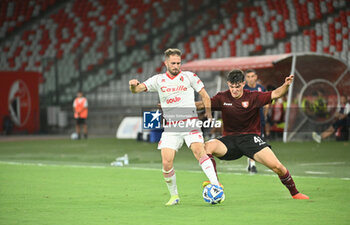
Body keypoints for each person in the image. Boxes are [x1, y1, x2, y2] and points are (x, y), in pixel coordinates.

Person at [129, 48, 221, 206]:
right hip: (171, 127)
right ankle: (174, 196)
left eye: (179, 63)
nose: (176, 66)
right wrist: (132, 85)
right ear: (165, 63)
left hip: (190, 122)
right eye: (173, 63)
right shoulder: (158, 80)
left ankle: (217, 188)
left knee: (199, 150)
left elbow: (205, 95)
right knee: (166, 162)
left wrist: (208, 113)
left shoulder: (189, 76)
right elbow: (137, 90)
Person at [198, 69, 309, 200]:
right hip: (229, 141)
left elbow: (275, 94)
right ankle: (215, 183)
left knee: (278, 167)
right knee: (205, 147)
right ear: (228, 84)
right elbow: (202, 104)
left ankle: (295, 193)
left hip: (250, 139)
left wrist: (286, 86)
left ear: (243, 84)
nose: (234, 90)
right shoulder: (222, 97)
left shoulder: (253, 96)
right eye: (232, 87)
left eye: (237, 86)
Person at [243, 69, 268, 173]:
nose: (250, 79)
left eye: (252, 76)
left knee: (258, 142)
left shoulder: (261, 88)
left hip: (259, 119)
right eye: (248, 77)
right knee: (251, 141)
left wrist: (265, 116)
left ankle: (251, 163)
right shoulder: (243, 89)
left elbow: (267, 103)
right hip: (247, 120)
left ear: (256, 77)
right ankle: (252, 165)